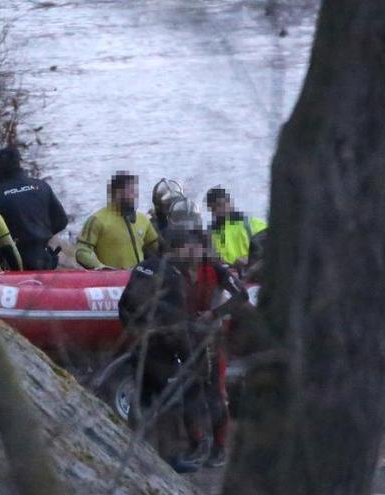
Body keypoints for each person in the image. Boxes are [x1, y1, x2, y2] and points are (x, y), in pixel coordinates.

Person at [118, 223, 248, 472]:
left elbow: (240, 296)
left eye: (199, 245)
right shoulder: (173, 271)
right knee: (187, 394)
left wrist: (214, 314)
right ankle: (194, 444)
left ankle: (219, 448)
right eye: (193, 245)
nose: (196, 251)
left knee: (215, 394)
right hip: (179, 339)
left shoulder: (214, 269)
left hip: (208, 338)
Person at [0, 147, 68, 270]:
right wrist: (41, 232)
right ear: (20, 163)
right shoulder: (42, 186)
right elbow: (62, 221)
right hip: (43, 255)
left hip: (14, 258)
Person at [76, 172, 159, 270]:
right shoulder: (97, 220)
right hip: (110, 281)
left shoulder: (142, 220)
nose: (135, 195)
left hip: (137, 279)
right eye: (130, 191)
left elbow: (157, 248)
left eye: (135, 190)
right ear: (117, 193)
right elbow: (82, 251)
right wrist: (100, 267)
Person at [205, 187, 267, 272]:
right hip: (229, 280)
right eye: (213, 208)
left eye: (220, 204)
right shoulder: (209, 235)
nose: (218, 210)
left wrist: (251, 261)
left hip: (256, 277)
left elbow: (273, 251)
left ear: (231, 202)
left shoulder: (254, 224)